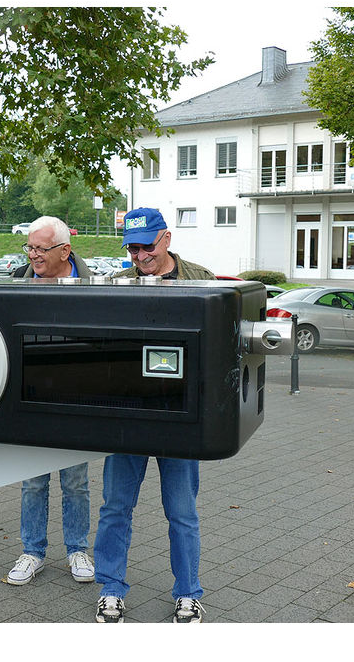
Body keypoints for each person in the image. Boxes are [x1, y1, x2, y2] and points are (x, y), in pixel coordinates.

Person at [93, 207, 216, 623]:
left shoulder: (201, 279)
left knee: (182, 511)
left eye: (146, 245)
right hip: (127, 413)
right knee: (115, 507)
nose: (139, 256)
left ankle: (188, 592)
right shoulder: (117, 283)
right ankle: (111, 588)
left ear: (166, 238)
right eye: (131, 248)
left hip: (179, 415)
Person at [5, 216, 96, 586]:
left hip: (76, 397)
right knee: (32, 482)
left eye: (41, 249)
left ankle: (77, 550)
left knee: (75, 481)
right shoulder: (18, 281)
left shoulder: (93, 286)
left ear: (65, 250)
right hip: (30, 397)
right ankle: (32, 551)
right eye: (30, 247)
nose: (34, 255)